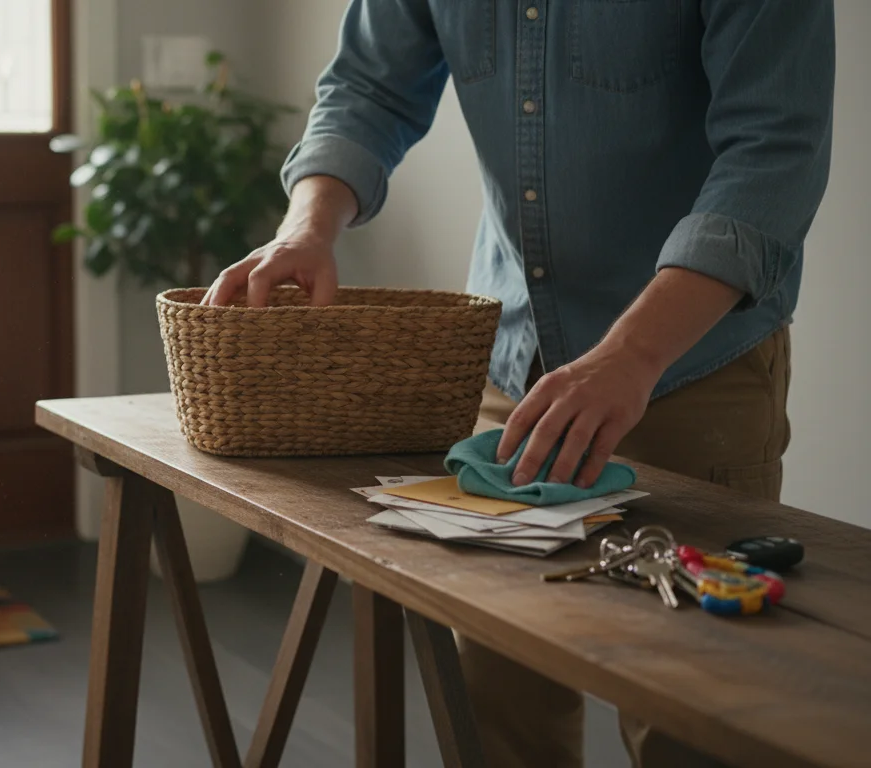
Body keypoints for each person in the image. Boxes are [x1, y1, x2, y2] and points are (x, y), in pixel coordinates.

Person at [202, 1, 835, 766]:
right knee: (499, 699)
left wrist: (631, 355)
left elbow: (774, 152)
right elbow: (368, 88)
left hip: (692, 366)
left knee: (693, 712)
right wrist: (307, 224)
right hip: (516, 361)